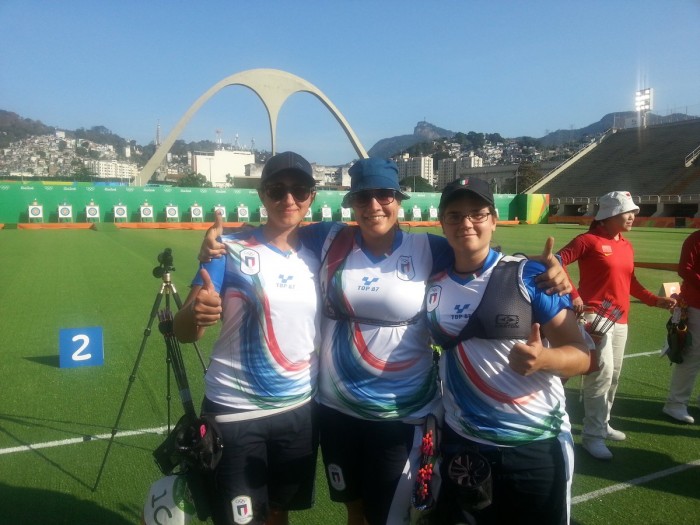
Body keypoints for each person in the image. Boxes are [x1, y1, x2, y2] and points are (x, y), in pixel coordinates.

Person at [199, 157, 571, 525]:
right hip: (336, 408)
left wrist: (543, 272)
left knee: (391, 515)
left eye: (384, 195)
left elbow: (482, 260)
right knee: (355, 509)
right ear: (351, 204)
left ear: (398, 200)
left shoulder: (429, 248)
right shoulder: (330, 238)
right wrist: (221, 242)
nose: (374, 205)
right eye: (363, 198)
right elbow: (275, 231)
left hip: (402, 414)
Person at [425, 177, 590, 525]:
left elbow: (582, 354)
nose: (466, 223)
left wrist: (546, 359)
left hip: (534, 445)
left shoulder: (528, 276)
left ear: (494, 219)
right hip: (463, 443)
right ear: (442, 222)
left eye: (477, 214)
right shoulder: (432, 281)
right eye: (454, 215)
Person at [173, 151, 322, 525]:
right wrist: (196, 313)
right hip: (236, 413)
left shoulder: (322, 251)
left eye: (299, 190)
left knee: (278, 513)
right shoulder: (229, 249)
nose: (288, 199)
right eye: (277, 189)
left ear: (312, 196)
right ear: (262, 194)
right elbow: (183, 331)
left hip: (298, 410)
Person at [557, 191, 676, 460]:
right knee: (601, 374)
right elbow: (556, 261)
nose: (633, 216)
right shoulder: (588, 240)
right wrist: (573, 295)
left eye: (634, 211)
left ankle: (603, 423)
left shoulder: (625, 244)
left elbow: (630, 281)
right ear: (610, 214)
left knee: (614, 375)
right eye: (627, 212)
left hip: (620, 318)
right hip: (595, 318)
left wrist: (654, 300)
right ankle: (592, 435)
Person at [662, 229, 700, 424]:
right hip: (695, 305)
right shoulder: (695, 238)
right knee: (691, 355)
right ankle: (675, 404)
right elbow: (684, 269)